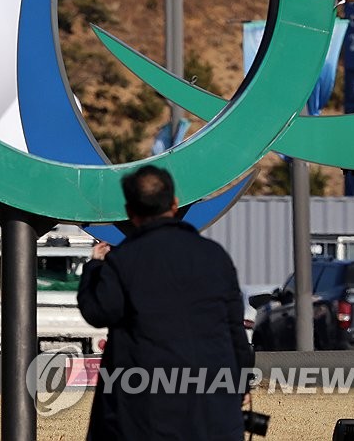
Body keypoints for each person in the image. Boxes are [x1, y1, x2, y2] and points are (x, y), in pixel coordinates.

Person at [77, 165, 253, 441]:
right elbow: (235, 332)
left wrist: (94, 269)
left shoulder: (123, 261)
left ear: (131, 212)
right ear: (174, 203)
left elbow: (98, 311)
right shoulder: (215, 257)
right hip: (213, 410)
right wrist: (240, 384)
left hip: (143, 413)